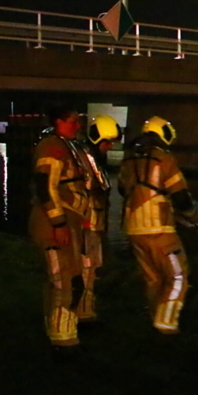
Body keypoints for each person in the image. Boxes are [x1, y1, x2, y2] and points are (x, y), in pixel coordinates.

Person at [118, 116, 198, 336]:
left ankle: (155, 320)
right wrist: (191, 215)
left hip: (134, 230)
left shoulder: (128, 160)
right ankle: (166, 323)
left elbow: (122, 190)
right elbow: (181, 197)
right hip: (160, 229)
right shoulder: (164, 159)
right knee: (178, 275)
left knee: (153, 278)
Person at [28, 106, 91, 360]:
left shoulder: (67, 146)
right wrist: (58, 223)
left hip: (69, 222)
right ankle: (63, 342)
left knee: (67, 278)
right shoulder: (51, 147)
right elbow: (46, 186)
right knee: (63, 279)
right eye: (73, 121)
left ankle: (62, 333)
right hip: (55, 224)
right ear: (59, 122)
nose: (78, 125)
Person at [75, 114, 122, 324]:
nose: (109, 147)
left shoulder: (94, 160)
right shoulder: (85, 160)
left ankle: (86, 310)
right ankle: (82, 314)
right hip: (88, 224)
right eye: (107, 142)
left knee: (93, 268)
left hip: (96, 224)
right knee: (87, 270)